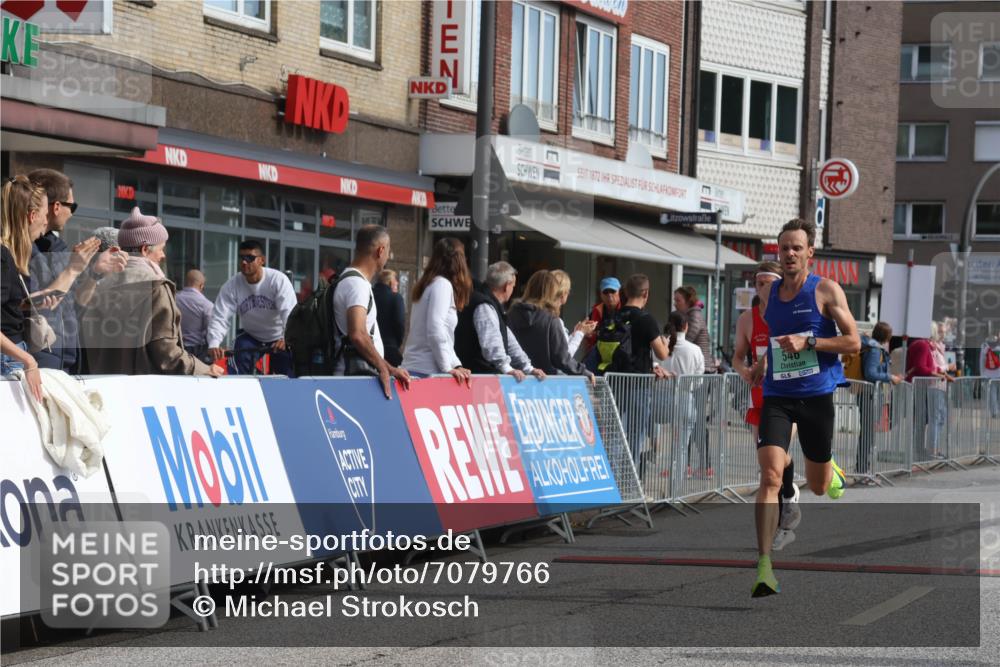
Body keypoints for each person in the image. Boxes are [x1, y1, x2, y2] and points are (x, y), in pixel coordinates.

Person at [753, 218, 860, 597]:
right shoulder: (768, 295)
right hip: (778, 396)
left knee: (817, 486)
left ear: (810, 252)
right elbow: (776, 340)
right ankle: (764, 566)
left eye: (797, 248)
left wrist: (810, 342)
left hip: (816, 397)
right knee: (770, 476)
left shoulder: (825, 290)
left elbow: (854, 342)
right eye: (784, 248)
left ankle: (830, 470)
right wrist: (763, 363)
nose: (790, 254)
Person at [80, 207, 221, 377]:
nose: (163, 255)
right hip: (143, 388)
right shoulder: (156, 287)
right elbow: (167, 354)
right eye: (161, 248)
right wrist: (204, 369)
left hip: (103, 386)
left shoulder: (100, 287)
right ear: (145, 249)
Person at [330, 225, 410, 399]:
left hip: (355, 378)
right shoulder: (357, 284)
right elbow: (358, 334)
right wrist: (383, 368)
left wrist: (389, 368)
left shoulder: (350, 280)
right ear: (380, 251)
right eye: (388, 250)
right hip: (354, 382)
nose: (388, 256)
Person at [207, 240, 297, 376]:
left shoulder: (278, 280)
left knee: (288, 369)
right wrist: (214, 343)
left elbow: (289, 313)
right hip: (251, 336)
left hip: (278, 338)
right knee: (238, 356)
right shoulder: (232, 285)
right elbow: (220, 316)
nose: (244, 262)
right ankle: (241, 388)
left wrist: (286, 338)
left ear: (262, 260)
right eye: (241, 258)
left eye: (250, 258)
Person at [1, 176, 59, 379]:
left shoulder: (8, 255)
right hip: (7, 361)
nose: (46, 221)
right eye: (45, 215)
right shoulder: (3, 256)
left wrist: (25, 304)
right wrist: (28, 360)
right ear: (32, 216)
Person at [455, 261, 545, 381]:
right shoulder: (485, 305)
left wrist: (528, 368)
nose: (512, 290)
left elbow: (508, 340)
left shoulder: (490, 305)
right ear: (507, 286)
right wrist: (506, 368)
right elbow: (491, 344)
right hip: (479, 378)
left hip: (476, 376)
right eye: (513, 286)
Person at [402, 237, 472, 384]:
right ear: (458, 260)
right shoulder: (442, 285)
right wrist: (447, 367)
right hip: (429, 371)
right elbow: (435, 328)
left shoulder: (427, 284)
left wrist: (456, 364)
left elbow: (443, 335)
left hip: (417, 367)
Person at [508, 270, 594, 381]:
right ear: (553, 291)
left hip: (513, 381)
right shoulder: (551, 320)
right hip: (545, 382)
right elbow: (562, 358)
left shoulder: (511, 315)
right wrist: (582, 371)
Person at [856, 321, 902, 478]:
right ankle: (862, 469)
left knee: (868, 432)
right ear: (886, 336)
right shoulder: (875, 350)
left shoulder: (872, 347)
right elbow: (870, 373)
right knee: (867, 433)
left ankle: (864, 467)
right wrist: (890, 377)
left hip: (869, 394)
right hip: (869, 394)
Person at [907, 324, 953, 460]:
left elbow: (927, 366)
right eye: (939, 331)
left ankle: (921, 450)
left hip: (923, 384)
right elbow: (921, 367)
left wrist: (938, 373)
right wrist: (939, 374)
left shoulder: (926, 345)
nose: (941, 334)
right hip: (922, 385)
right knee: (926, 419)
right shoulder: (923, 344)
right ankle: (925, 451)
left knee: (924, 419)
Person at [551, 269, 595, 358]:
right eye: (568, 290)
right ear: (563, 293)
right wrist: (581, 333)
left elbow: (562, 347)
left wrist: (576, 333)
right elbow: (565, 356)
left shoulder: (542, 315)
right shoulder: (554, 321)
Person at [674, 285, 717, 374]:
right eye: (675, 300)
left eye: (678, 300)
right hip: (696, 366)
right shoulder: (688, 315)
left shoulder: (694, 316)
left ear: (688, 301)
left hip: (704, 369)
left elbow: (686, 339)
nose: (675, 304)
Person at [175, 269, 214, 361]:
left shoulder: (173, 299)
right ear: (201, 286)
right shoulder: (207, 305)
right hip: (197, 352)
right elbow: (211, 331)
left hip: (175, 348)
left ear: (186, 282)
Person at [373, 268, 406, 367]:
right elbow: (399, 323)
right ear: (391, 282)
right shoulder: (396, 298)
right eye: (396, 280)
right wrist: (397, 343)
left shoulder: (369, 294)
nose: (397, 283)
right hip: (389, 349)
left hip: (370, 349)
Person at [981, 332, 1000, 417]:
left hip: (989, 375)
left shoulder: (985, 348)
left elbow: (982, 362)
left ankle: (994, 412)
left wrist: (982, 374)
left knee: (992, 394)